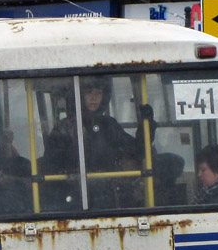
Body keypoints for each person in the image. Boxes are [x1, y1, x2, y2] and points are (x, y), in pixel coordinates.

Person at [43, 76, 149, 208]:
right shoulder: (64, 128)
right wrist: (72, 173)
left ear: (104, 96)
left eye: (98, 93)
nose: (94, 98)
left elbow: (136, 151)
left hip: (108, 197)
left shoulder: (109, 125)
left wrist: (147, 127)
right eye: (89, 92)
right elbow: (50, 164)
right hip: (74, 197)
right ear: (78, 95)